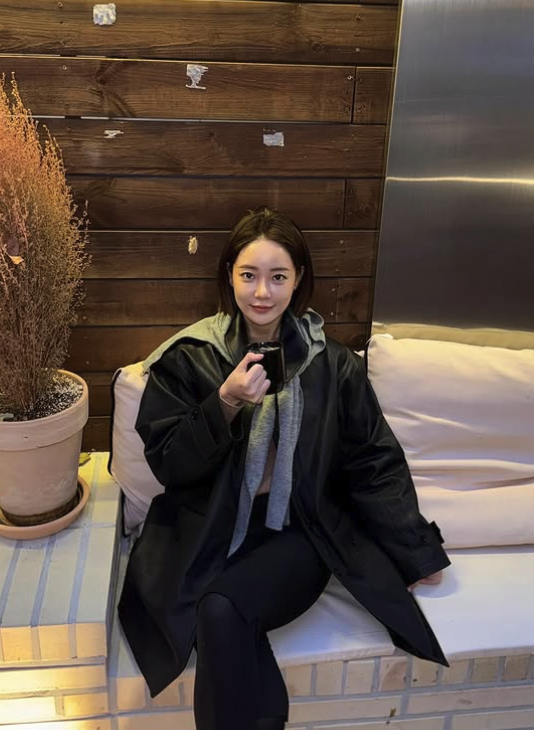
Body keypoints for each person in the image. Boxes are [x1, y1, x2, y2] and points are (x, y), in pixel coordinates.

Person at [118, 206, 451, 730]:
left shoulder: (332, 363)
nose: (262, 293)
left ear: (298, 280)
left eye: (278, 277)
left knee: (219, 609)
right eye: (248, 275)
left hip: (300, 530)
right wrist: (225, 402)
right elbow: (169, 464)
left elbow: (372, 459)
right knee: (220, 617)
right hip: (205, 527)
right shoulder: (190, 357)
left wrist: (415, 550)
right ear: (229, 276)